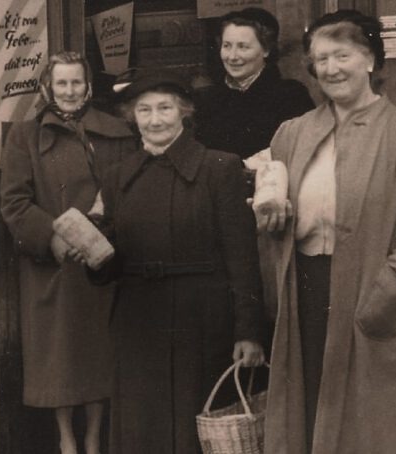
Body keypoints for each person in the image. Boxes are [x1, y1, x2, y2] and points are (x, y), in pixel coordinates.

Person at [256, 10, 396, 453]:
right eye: (321, 60)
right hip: (308, 291)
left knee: (380, 419)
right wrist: (273, 217)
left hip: (378, 288)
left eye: (342, 55)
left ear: (370, 59)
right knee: (311, 406)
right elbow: (274, 201)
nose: (331, 69)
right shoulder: (291, 135)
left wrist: (395, 277)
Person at [85, 69, 266, 453]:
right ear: (132, 118)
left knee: (193, 428)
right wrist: (92, 251)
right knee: (141, 428)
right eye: (144, 110)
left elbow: (243, 256)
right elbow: (111, 266)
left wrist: (247, 331)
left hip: (202, 322)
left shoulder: (220, 167)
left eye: (164, 108)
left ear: (184, 112)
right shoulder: (117, 177)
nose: (155, 119)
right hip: (138, 323)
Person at [0, 51, 136, 454]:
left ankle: (93, 437)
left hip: (101, 261)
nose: (70, 91)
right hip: (53, 267)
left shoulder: (116, 132)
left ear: (89, 86)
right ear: (48, 87)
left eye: (77, 83)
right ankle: (66, 439)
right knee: (57, 356)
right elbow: (15, 202)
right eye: (62, 83)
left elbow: (126, 190)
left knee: (97, 353)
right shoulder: (25, 136)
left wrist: (104, 232)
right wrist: (54, 240)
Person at [194, 7, 315, 160]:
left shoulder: (291, 96)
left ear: (266, 50)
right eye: (227, 46)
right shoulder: (208, 101)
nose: (232, 56)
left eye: (243, 47)